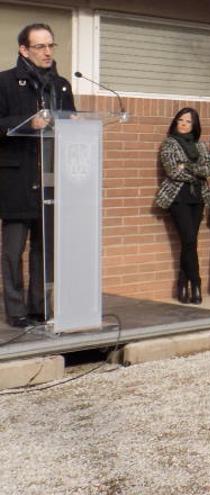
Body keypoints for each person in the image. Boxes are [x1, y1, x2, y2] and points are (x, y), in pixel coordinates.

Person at [0, 24, 75, 327]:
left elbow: (70, 123)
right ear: (24, 50)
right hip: (17, 181)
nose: (47, 52)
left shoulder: (62, 86)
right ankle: (16, 311)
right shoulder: (4, 82)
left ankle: (39, 308)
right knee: (13, 251)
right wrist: (27, 123)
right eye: (40, 46)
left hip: (51, 179)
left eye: (50, 46)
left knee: (44, 251)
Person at [155, 108, 210, 304]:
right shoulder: (169, 144)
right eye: (180, 120)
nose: (183, 124)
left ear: (194, 125)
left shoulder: (201, 145)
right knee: (189, 240)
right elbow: (173, 171)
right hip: (177, 198)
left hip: (197, 198)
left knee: (190, 242)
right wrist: (196, 171)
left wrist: (187, 166)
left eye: (188, 121)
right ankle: (196, 284)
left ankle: (183, 283)